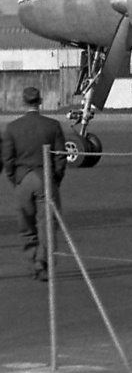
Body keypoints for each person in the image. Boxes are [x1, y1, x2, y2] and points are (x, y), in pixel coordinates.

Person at [3, 86, 68, 281]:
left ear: (24, 102)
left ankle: (33, 259)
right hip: (45, 177)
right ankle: (42, 260)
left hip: (23, 178)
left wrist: (14, 178)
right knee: (47, 223)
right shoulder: (53, 125)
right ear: (40, 102)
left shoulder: (12, 127)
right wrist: (55, 178)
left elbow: (8, 159)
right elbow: (60, 156)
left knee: (26, 223)